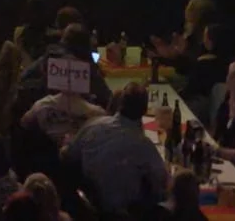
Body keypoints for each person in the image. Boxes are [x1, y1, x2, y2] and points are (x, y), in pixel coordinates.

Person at [64, 83, 167, 217]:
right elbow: (162, 182)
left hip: (85, 206)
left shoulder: (92, 125)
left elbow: (68, 154)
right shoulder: (144, 146)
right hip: (124, 213)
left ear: (120, 103)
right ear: (144, 110)